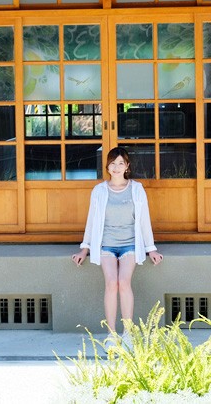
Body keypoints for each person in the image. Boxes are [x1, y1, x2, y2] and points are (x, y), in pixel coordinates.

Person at [72, 146, 162, 341]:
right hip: (106, 246)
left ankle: (128, 333)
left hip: (130, 245)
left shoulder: (136, 189)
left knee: (123, 282)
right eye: (113, 163)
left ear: (127, 166)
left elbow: (144, 220)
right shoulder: (99, 191)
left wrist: (151, 249)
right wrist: (84, 249)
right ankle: (111, 334)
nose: (116, 167)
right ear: (107, 166)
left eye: (121, 163)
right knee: (111, 283)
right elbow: (92, 220)